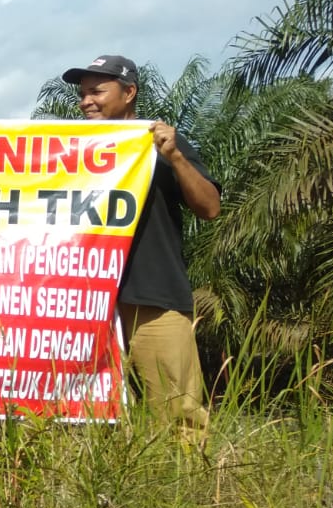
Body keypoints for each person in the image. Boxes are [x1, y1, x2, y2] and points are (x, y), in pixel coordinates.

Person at [63, 54, 221, 430]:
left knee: (179, 415)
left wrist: (175, 158)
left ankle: (189, 488)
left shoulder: (162, 144)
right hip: (86, 304)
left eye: (97, 91)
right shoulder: (71, 150)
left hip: (154, 302)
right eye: (83, 93)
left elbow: (210, 208)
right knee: (80, 415)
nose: (87, 101)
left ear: (129, 92)